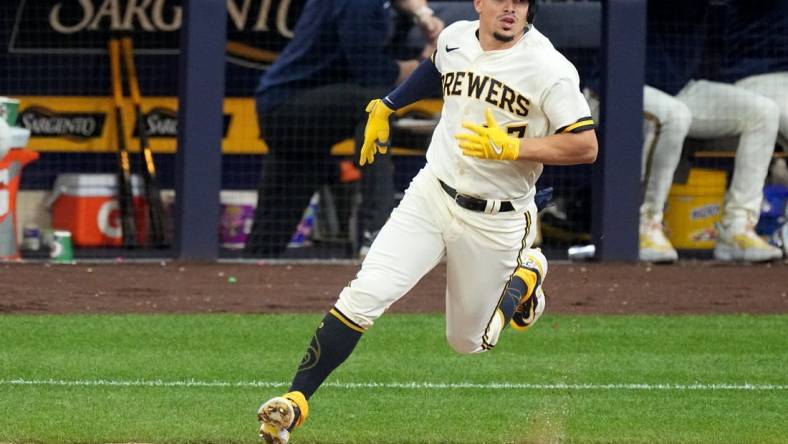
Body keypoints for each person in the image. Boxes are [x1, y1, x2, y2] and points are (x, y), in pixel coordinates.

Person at [256, 0, 598, 442]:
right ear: (479, 2)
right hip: (431, 194)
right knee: (366, 292)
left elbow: (585, 146)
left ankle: (526, 276)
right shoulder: (456, 35)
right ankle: (295, 403)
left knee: (469, 342)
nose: (511, 8)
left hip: (497, 219)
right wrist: (388, 104)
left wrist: (513, 148)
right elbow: (436, 66)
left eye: (521, 1)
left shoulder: (549, 67)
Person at [585, 0, 782, 263]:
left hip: (677, 87)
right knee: (674, 115)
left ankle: (736, 228)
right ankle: (642, 224)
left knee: (763, 113)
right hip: (613, 87)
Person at [245, 0, 444, 258]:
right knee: (374, 105)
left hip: (306, 126)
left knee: (269, 236)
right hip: (289, 111)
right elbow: (373, 73)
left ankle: (254, 261)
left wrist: (423, 14)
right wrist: (425, 63)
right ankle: (376, 232)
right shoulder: (356, 4)